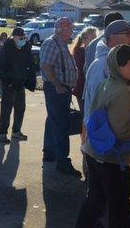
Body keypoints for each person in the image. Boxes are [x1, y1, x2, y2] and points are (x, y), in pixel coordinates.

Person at [75, 45, 130, 228]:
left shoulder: (107, 83)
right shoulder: (122, 90)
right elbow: (122, 131)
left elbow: (101, 114)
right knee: (118, 207)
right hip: (111, 158)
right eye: (125, 64)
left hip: (93, 150)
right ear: (114, 65)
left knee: (95, 200)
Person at [40, 17, 80, 177]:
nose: (72, 31)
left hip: (61, 89)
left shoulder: (61, 43)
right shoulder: (52, 43)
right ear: (61, 29)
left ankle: (49, 153)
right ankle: (63, 161)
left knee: (53, 121)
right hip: (57, 90)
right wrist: (57, 85)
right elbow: (46, 65)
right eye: (70, 28)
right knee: (61, 124)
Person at [84, 20, 130, 123]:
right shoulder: (101, 65)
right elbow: (97, 105)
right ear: (112, 36)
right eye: (128, 34)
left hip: (124, 128)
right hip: (109, 133)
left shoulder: (121, 61)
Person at [0, 27, 35, 144]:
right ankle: (2, 134)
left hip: (20, 84)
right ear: (14, 37)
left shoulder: (24, 48)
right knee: (6, 110)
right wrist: (6, 83)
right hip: (9, 85)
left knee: (20, 109)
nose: (23, 39)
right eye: (20, 38)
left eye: (24, 37)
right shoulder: (6, 49)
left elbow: (30, 63)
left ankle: (16, 131)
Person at [72, 27, 98, 112]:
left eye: (96, 38)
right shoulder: (79, 52)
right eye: (92, 39)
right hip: (82, 89)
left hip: (89, 88)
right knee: (85, 115)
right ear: (83, 40)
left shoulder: (94, 51)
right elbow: (84, 71)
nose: (94, 42)